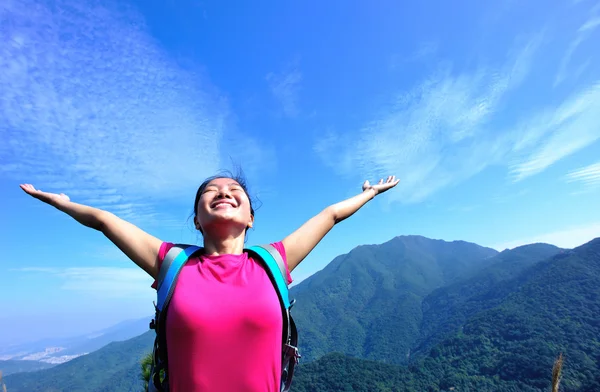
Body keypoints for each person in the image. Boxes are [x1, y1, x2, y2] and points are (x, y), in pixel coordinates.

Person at [19, 172, 399, 392]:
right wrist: (63, 203)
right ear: (197, 220)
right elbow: (105, 221)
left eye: (236, 192)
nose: (224, 193)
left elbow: (331, 215)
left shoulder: (272, 261)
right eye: (211, 192)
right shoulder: (172, 262)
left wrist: (367, 194)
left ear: (251, 218)